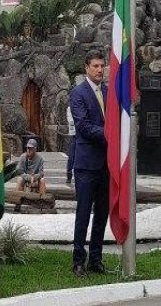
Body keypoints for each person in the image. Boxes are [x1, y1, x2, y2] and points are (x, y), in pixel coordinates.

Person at [69, 49, 109, 278]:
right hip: (86, 165)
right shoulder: (78, 93)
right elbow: (82, 126)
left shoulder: (108, 91)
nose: (100, 70)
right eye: (95, 66)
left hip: (106, 164)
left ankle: (96, 259)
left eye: (102, 66)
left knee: (101, 214)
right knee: (83, 214)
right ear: (86, 68)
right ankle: (78, 261)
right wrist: (109, 134)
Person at [66, 104, 76, 184]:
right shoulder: (70, 108)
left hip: (82, 134)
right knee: (71, 157)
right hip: (73, 135)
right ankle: (69, 176)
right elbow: (71, 121)